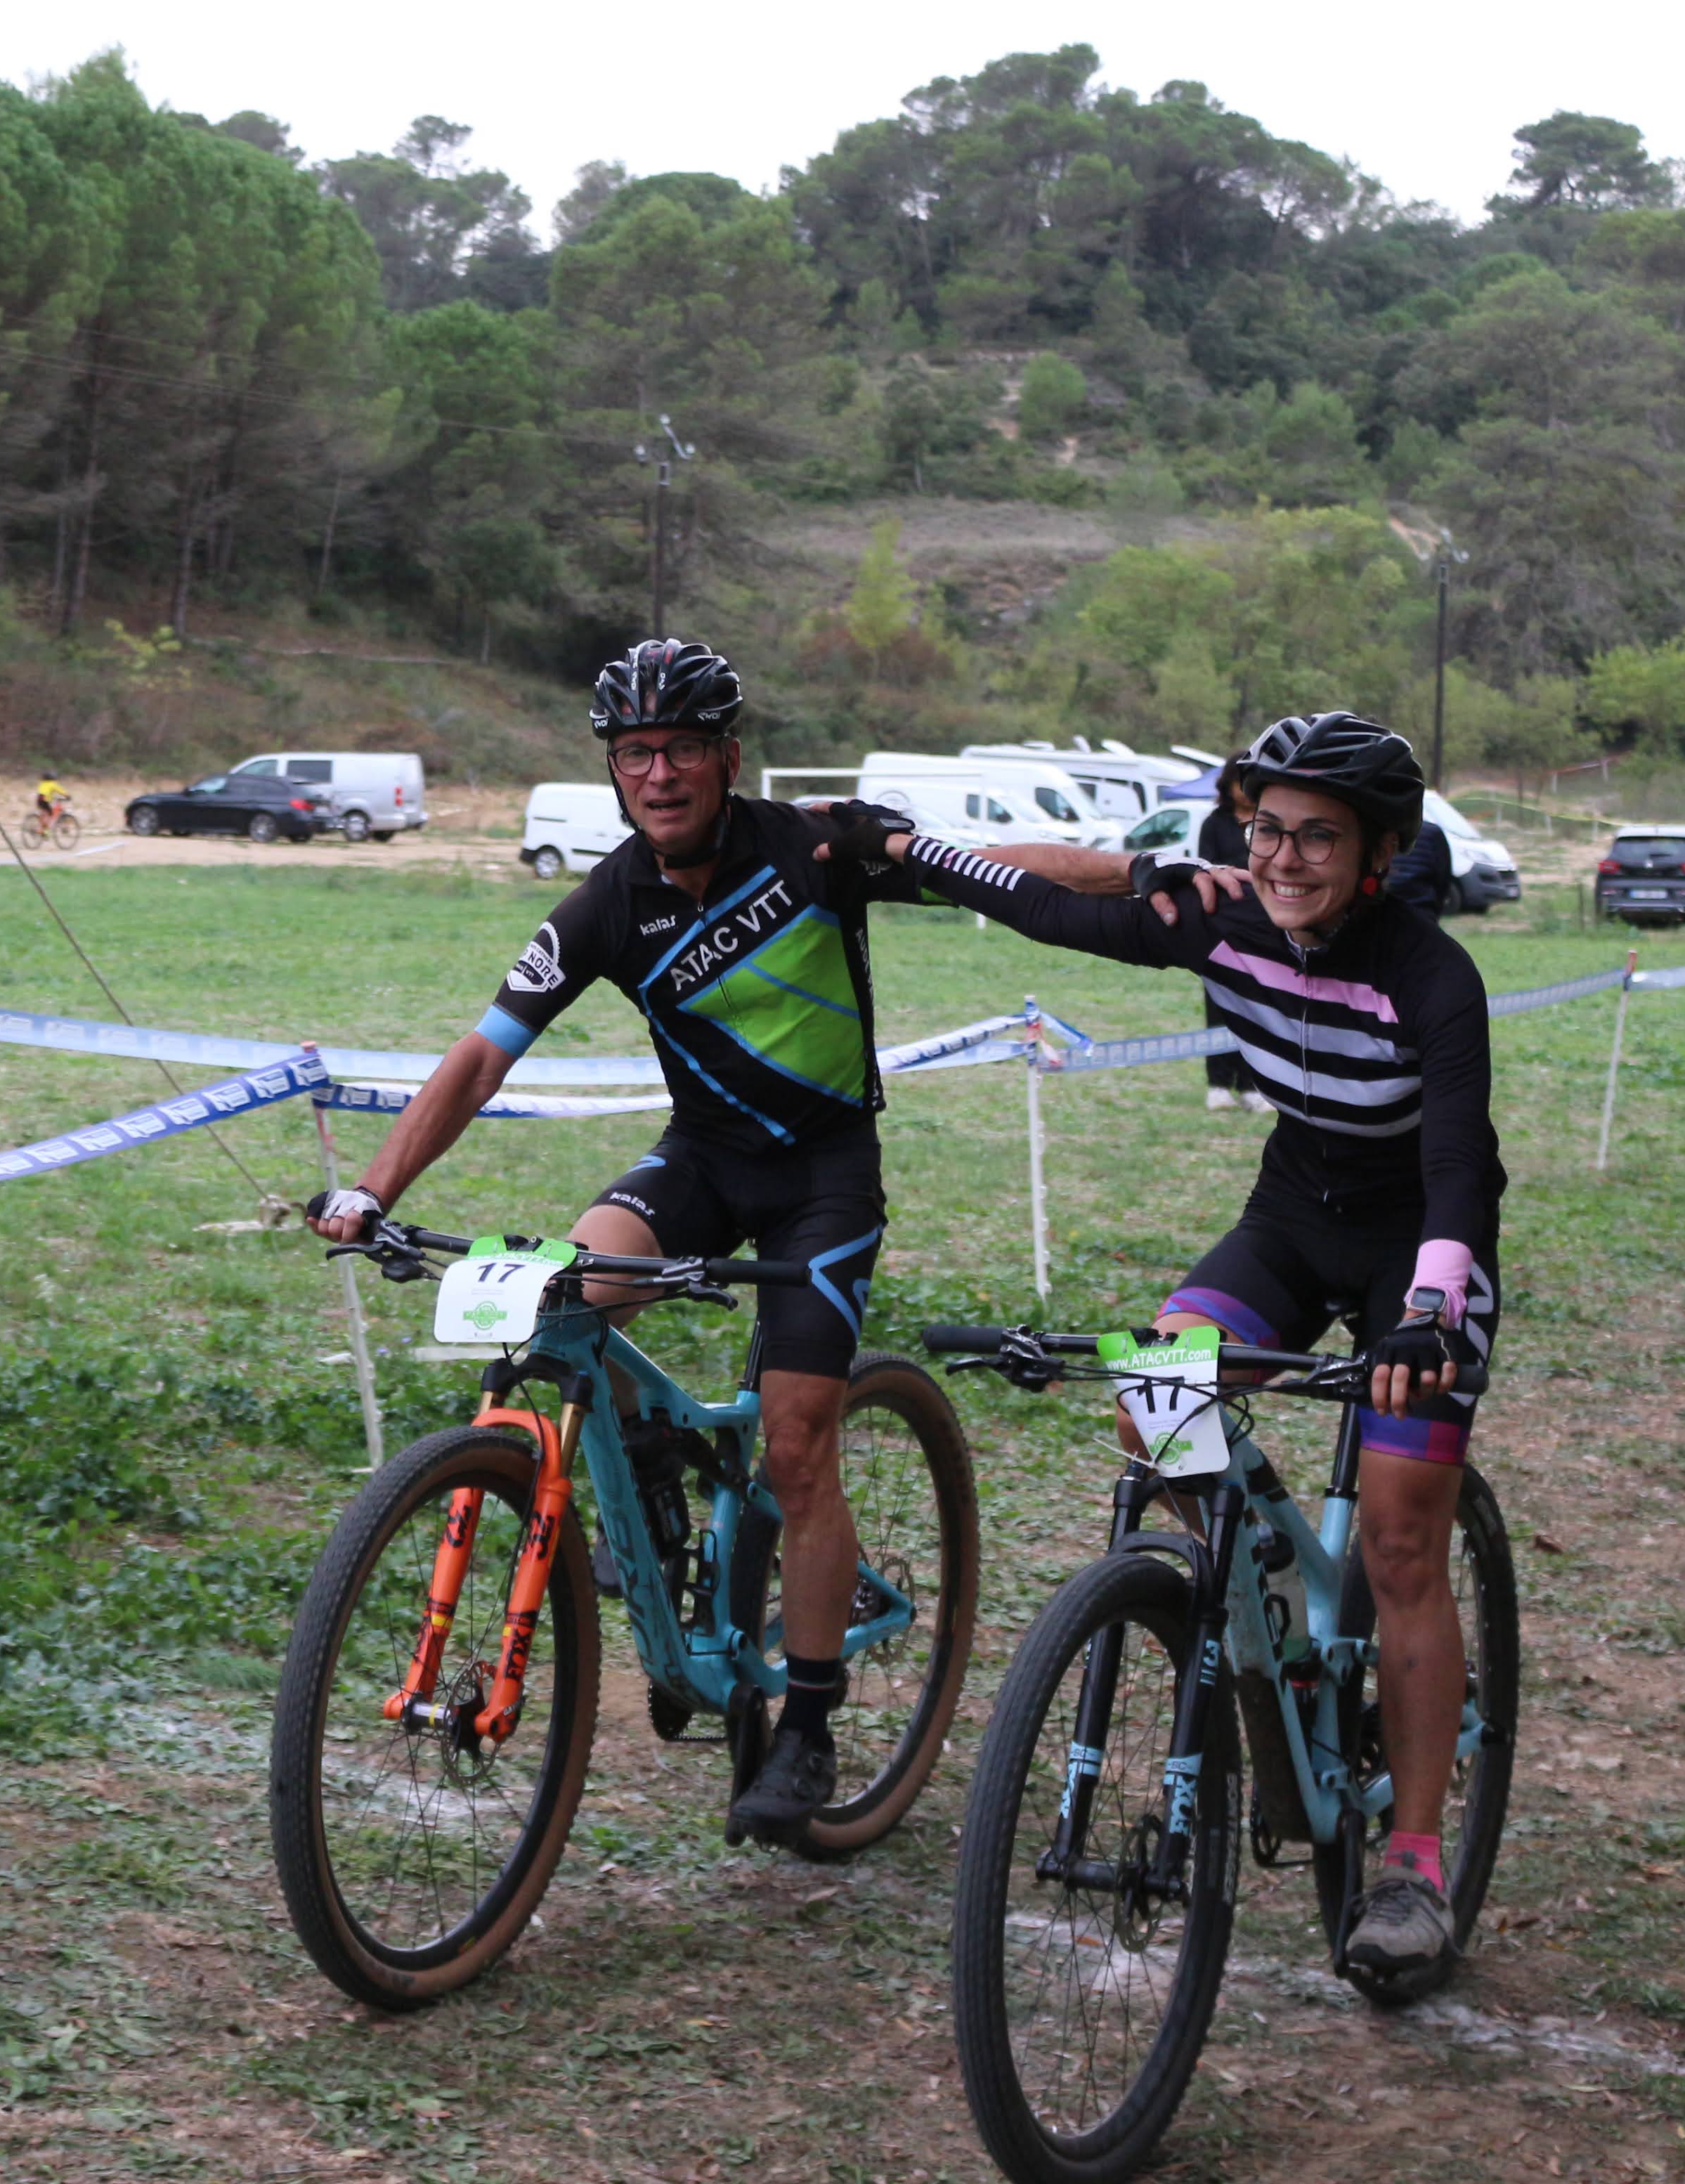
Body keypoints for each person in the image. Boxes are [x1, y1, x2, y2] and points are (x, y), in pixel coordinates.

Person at [306, 639, 1151, 1845]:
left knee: (796, 1450)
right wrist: (372, 1188)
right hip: (700, 1162)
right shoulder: (607, 903)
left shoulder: (815, 846)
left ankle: (805, 1724)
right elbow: (482, 1055)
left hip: (822, 1178)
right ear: (614, 770)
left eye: (682, 749)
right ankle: (651, 1474)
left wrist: (1145, 871)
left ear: (728, 758)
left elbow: (998, 870)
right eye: (634, 753)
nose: (658, 774)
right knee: (563, 1298)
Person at [883, 710, 1502, 1994]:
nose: (1282, 858)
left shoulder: (1432, 976)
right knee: (1150, 1402)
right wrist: (897, 849)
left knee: (1400, 1539)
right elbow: (1045, 909)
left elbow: (1457, 1167)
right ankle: (1264, 1604)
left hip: (1416, 1245)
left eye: (1317, 838)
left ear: (1378, 853)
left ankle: (1410, 1862)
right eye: (1266, 830)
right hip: (1292, 1215)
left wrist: (1429, 1315)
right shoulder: (1219, 916)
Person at [1195, 770, 1265, 1112]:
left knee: (1258, 1007)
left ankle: (1252, 1086)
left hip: (1263, 926)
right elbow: (1205, 868)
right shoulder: (1214, 824)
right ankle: (1219, 1085)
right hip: (1222, 924)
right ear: (1228, 786)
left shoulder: (1269, 823)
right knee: (1219, 1005)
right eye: (1241, 782)